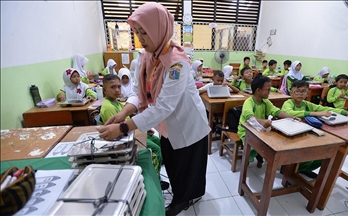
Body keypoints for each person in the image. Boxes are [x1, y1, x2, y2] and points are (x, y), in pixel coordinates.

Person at [96, 3, 210, 216]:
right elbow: (139, 91)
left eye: (144, 32)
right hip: (168, 123)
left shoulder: (177, 64)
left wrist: (124, 127)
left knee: (187, 165)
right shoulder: (147, 56)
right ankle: (181, 192)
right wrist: (123, 112)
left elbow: (164, 105)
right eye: (137, 32)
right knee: (173, 160)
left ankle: (182, 200)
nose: (141, 38)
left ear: (158, 29)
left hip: (188, 123)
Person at [281, 80, 348, 178]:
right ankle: (291, 168)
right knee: (307, 153)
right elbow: (289, 113)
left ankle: (303, 169)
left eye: (304, 91)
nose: (300, 94)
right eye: (297, 91)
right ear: (291, 92)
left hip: (304, 133)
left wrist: (347, 113)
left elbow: (324, 109)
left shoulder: (306, 104)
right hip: (289, 135)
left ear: (307, 93)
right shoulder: (288, 103)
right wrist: (314, 113)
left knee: (325, 153)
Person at [100, 74, 163, 177]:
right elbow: (117, 131)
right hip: (125, 138)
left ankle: (158, 166)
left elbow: (127, 120)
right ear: (104, 90)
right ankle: (155, 177)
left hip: (130, 132)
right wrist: (140, 131)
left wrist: (142, 128)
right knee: (156, 149)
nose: (117, 90)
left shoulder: (118, 103)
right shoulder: (108, 107)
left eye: (119, 86)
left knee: (156, 139)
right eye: (112, 87)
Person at [237, 74, 298, 166]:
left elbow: (276, 111)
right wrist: (263, 121)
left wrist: (290, 117)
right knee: (254, 146)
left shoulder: (265, 101)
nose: (270, 91)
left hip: (261, 129)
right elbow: (249, 117)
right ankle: (248, 157)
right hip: (246, 131)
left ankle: (266, 157)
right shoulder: (249, 102)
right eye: (268, 89)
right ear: (258, 90)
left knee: (277, 141)